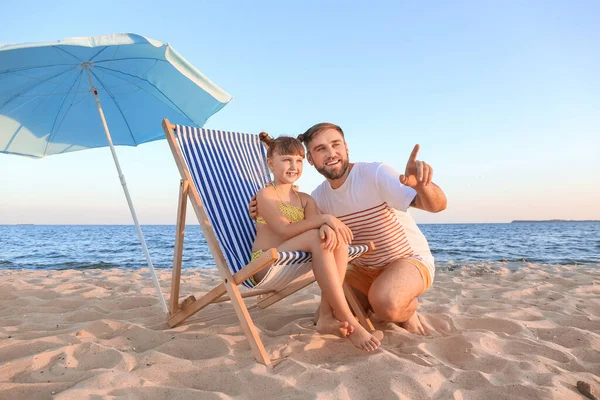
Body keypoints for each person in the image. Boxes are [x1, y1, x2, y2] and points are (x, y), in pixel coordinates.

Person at [250, 123, 446, 335]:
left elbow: (436, 206)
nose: (331, 153)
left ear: (346, 148)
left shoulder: (375, 173)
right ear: (311, 159)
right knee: (328, 316)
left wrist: (422, 186)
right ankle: (374, 299)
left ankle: (405, 308)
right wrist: (260, 210)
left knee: (387, 303)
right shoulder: (318, 198)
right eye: (321, 149)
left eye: (336, 145)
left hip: (406, 259)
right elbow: (299, 224)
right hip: (362, 268)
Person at [251, 132, 381, 351]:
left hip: (292, 265)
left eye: (299, 161)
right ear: (270, 164)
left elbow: (317, 229)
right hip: (265, 265)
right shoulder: (265, 195)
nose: (293, 166)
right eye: (286, 160)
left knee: (333, 237)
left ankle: (326, 316)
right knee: (319, 233)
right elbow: (284, 230)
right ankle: (347, 317)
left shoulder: (305, 199)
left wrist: (326, 226)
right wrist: (325, 219)